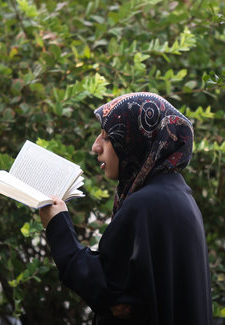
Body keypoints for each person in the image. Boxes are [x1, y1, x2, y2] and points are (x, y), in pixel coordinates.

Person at [40, 92, 213, 324]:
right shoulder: (176, 195)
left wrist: (57, 223)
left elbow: (108, 290)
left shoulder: (145, 204)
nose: (95, 147)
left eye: (107, 136)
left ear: (135, 140)